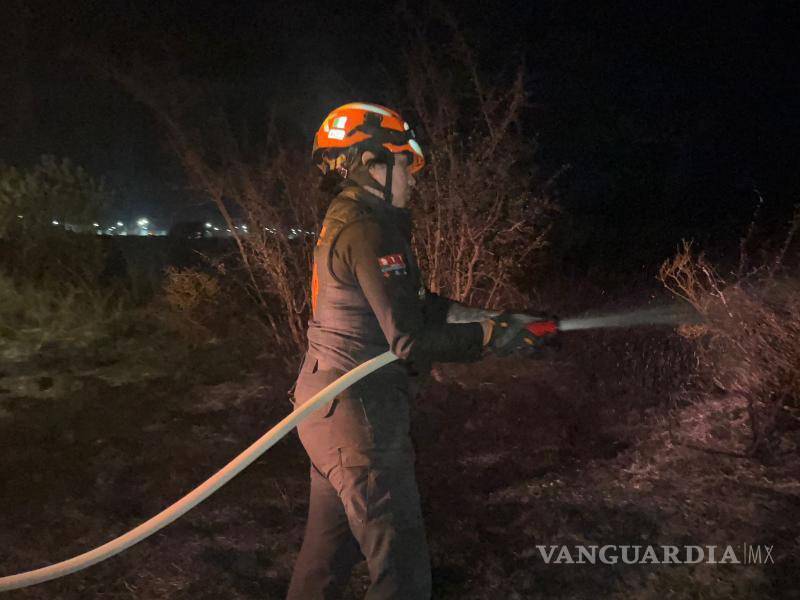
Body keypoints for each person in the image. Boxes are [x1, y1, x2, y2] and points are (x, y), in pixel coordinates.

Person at [286, 102, 545, 599]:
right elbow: (410, 340)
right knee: (402, 574)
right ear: (370, 162)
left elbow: (416, 306)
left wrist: (495, 321)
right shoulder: (369, 229)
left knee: (325, 562)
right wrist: (495, 341)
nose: (413, 176)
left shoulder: (349, 219)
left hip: (326, 411)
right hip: (360, 421)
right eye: (405, 161)